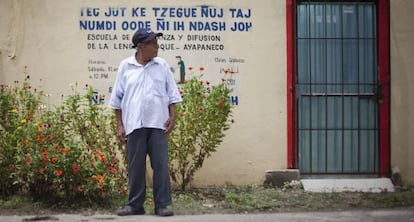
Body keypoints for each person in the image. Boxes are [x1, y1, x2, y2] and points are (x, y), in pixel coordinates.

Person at [108, 28, 182, 217]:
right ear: (140, 46)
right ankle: (135, 205)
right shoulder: (126, 66)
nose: (157, 46)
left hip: (158, 123)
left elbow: (172, 93)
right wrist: (120, 125)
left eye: (156, 42)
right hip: (134, 124)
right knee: (135, 166)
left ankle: (162, 205)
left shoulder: (162, 65)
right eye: (153, 43)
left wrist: (172, 116)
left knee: (160, 164)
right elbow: (117, 98)